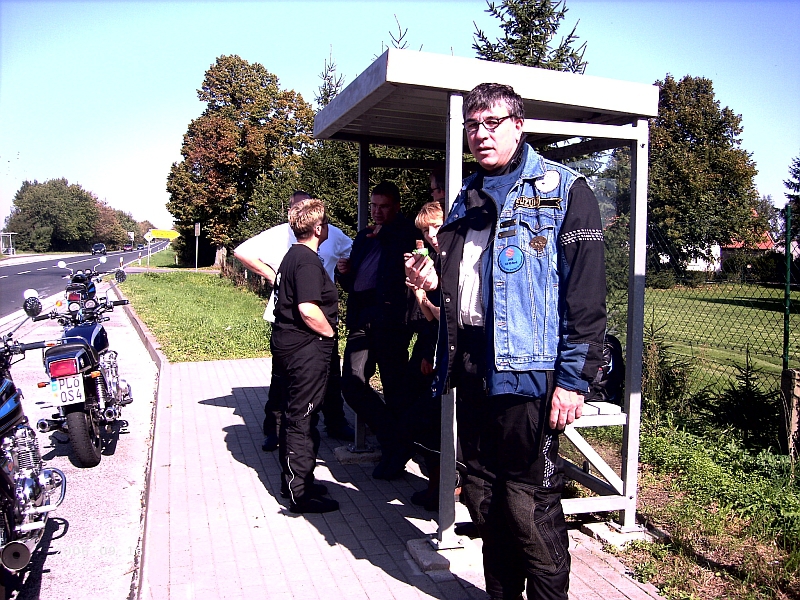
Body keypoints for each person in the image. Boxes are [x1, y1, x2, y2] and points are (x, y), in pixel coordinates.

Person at [405, 83, 607, 600]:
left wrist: (572, 382)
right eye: (472, 125)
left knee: (528, 502)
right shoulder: (467, 195)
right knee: (482, 494)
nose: (481, 134)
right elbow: (473, 281)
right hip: (472, 364)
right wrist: (435, 281)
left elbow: (585, 300)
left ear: (519, 126)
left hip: (528, 374)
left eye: (492, 122)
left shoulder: (566, 190)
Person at [234, 190, 355, 451]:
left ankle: (334, 421)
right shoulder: (279, 235)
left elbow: (353, 251)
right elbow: (242, 251)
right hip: (289, 316)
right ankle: (276, 430)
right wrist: (272, 275)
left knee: (330, 374)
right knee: (282, 377)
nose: (300, 213)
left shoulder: (330, 233)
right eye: (296, 209)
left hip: (320, 317)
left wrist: (345, 266)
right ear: (290, 212)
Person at [336, 180, 421, 480]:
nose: (377, 212)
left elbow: (405, 258)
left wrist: (384, 235)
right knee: (352, 383)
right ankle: (394, 440)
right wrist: (344, 273)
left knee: (395, 388)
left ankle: (396, 453)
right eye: (373, 206)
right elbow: (353, 280)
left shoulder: (406, 233)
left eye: (384, 207)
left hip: (391, 320)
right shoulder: (364, 236)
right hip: (362, 315)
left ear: (396, 207)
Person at [270, 198, 339, 514]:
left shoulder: (292, 256)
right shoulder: (307, 262)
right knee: (302, 417)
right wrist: (329, 333)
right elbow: (308, 309)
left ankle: (297, 481)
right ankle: (299, 492)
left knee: (294, 414)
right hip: (305, 350)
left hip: (289, 346)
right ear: (318, 228)